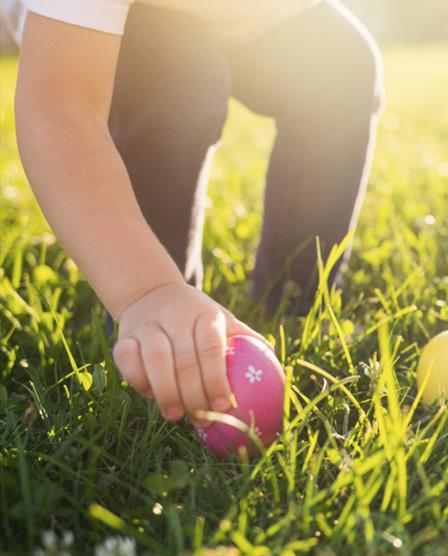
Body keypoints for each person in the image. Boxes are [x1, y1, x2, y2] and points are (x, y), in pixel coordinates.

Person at [5, 0, 383, 428]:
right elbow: (61, 103)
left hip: (243, 16)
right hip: (97, 25)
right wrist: (148, 290)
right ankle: (162, 335)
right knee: (179, 74)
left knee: (339, 65)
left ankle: (291, 305)